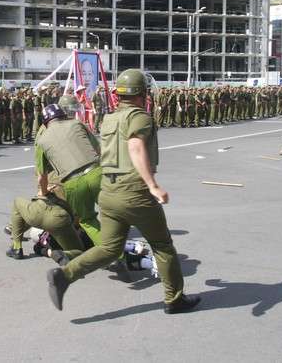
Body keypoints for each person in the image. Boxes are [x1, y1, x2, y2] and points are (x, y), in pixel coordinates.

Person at [46, 69, 200, 314]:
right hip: (135, 191)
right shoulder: (140, 117)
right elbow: (136, 146)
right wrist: (153, 185)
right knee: (162, 246)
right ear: (142, 93)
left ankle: (65, 275)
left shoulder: (109, 118)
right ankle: (174, 299)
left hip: (109, 191)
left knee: (109, 249)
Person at [35, 103, 102, 247]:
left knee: (87, 220)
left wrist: (44, 192)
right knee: (112, 211)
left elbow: (42, 176)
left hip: (73, 182)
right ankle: (118, 242)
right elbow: (98, 149)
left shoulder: (41, 140)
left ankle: (116, 255)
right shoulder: (77, 123)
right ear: (64, 116)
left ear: (45, 123)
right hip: (96, 172)